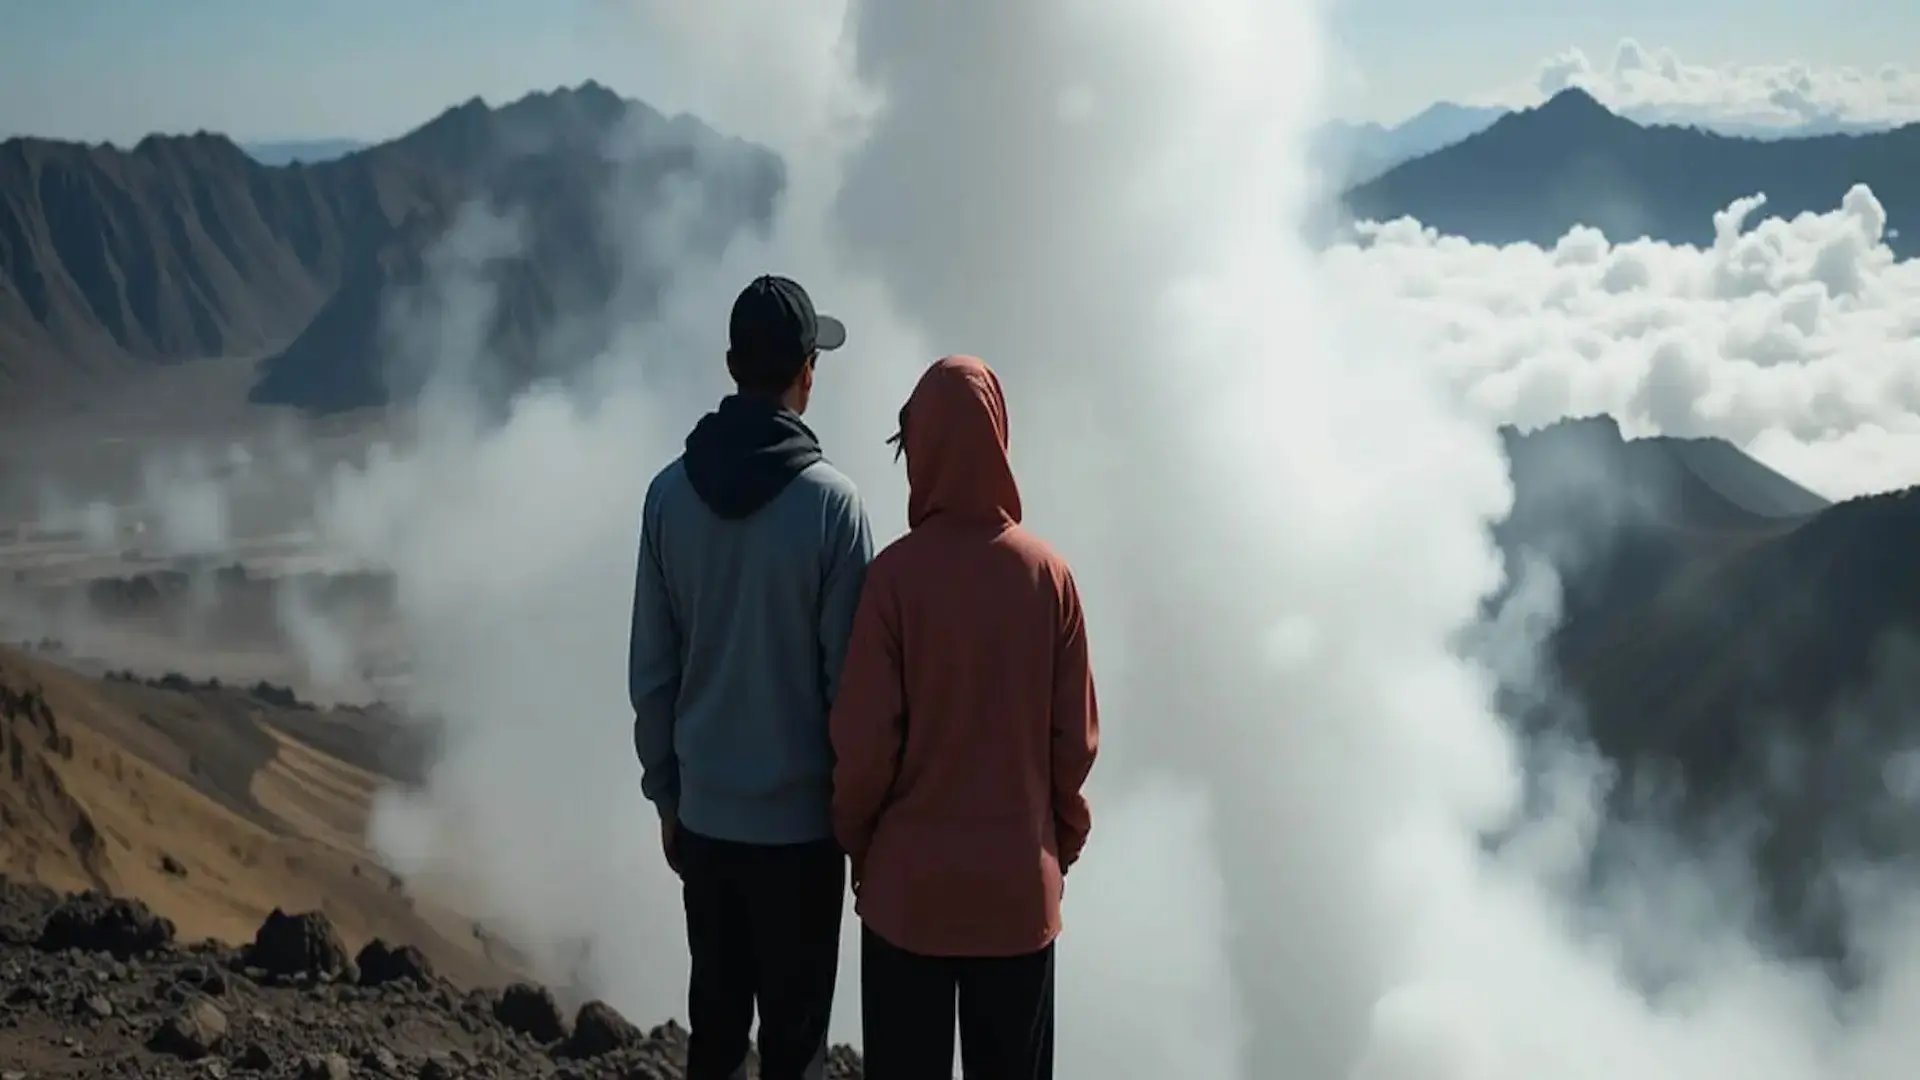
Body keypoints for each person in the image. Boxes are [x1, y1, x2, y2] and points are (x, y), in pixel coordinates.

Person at [629, 274, 874, 1080]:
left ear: (732, 366)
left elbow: (653, 673)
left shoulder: (667, 497)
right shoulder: (835, 509)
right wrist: (858, 822)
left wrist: (668, 799)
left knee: (716, 1040)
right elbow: (852, 693)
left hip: (706, 825)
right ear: (808, 372)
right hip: (803, 838)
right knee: (795, 1056)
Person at [830, 354, 1101, 1080]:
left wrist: (859, 846)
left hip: (906, 897)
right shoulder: (1050, 578)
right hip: (1017, 898)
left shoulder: (892, 580)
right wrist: (1058, 846)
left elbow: (864, 748)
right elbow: (1072, 746)